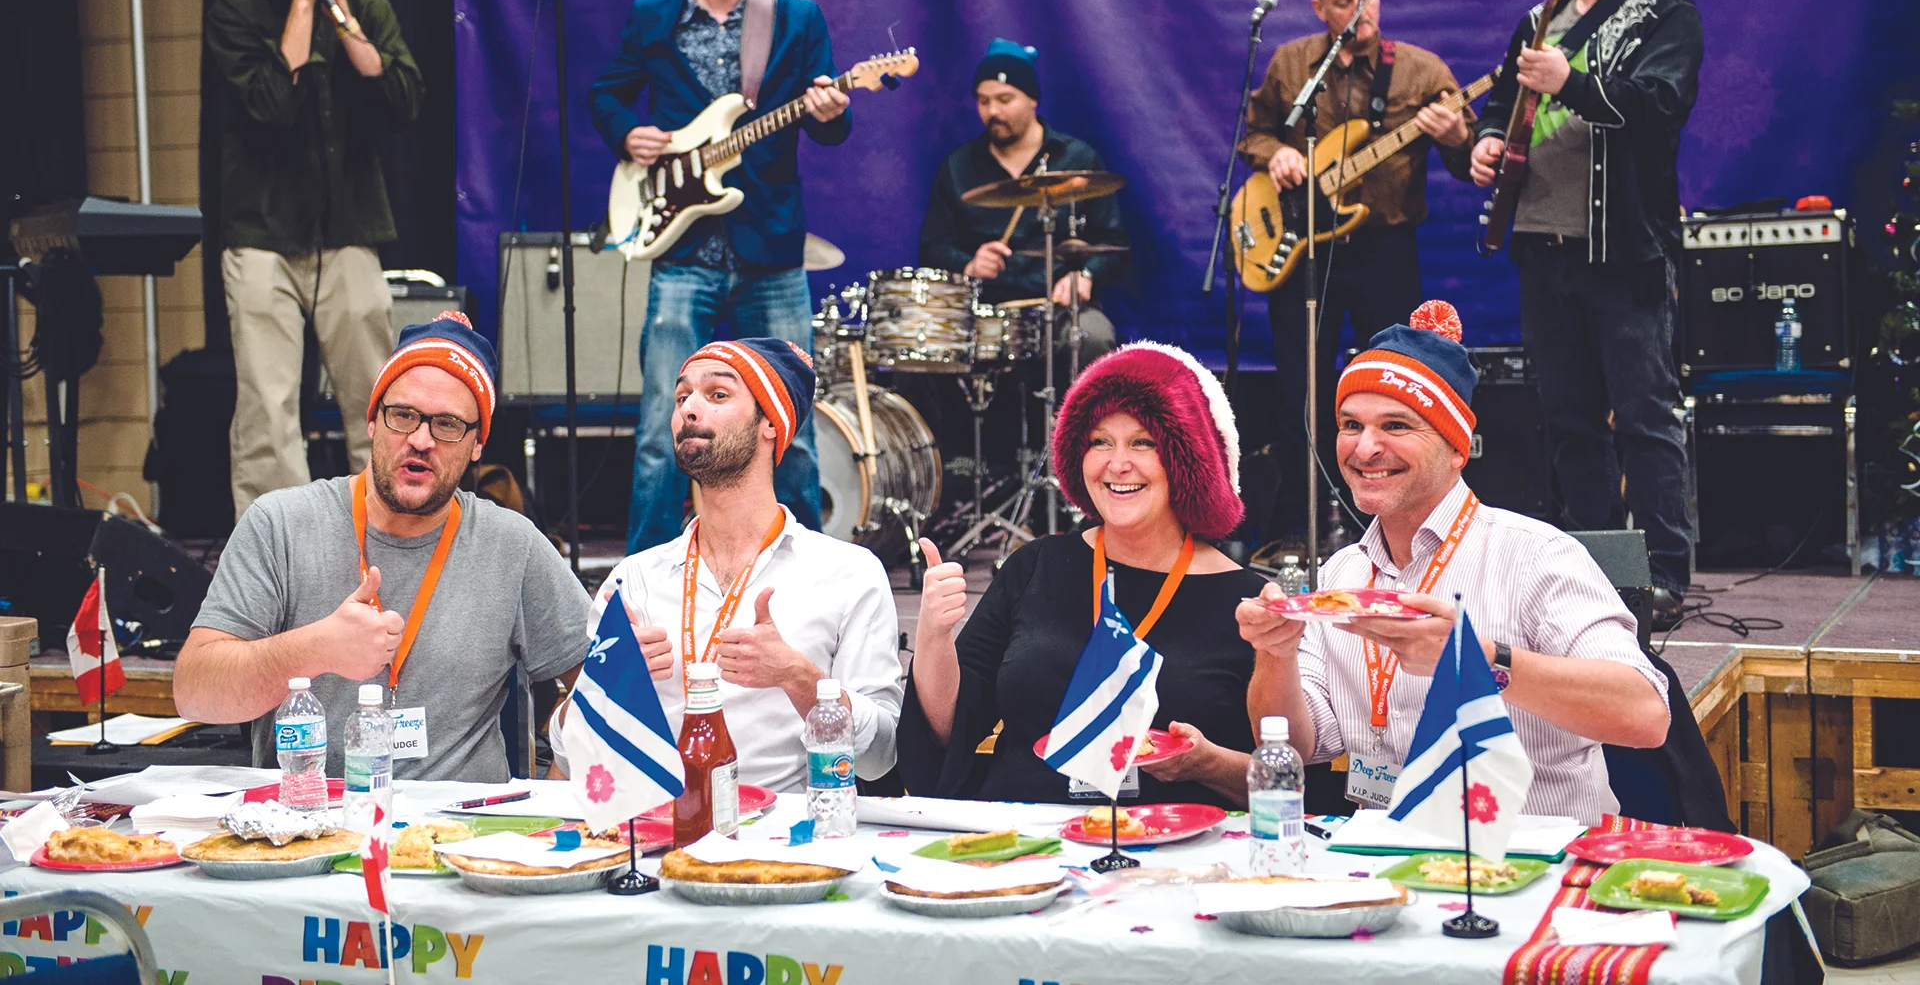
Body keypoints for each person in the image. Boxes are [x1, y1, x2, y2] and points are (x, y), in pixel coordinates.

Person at [1235, 302, 1671, 824]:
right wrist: (1274, 655)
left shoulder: (1535, 555)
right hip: (1395, 866)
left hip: (1535, 868)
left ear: (1456, 448)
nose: (1365, 447)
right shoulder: (1340, 576)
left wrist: (1476, 659)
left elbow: (1645, 715)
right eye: (1351, 424)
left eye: (1396, 425)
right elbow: (1298, 743)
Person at [177, 313, 591, 782]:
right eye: (403, 415)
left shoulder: (512, 545)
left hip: (460, 840)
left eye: (449, 424)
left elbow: (614, 694)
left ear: (478, 445)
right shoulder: (281, 524)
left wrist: (553, 804)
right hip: (311, 830)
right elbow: (194, 692)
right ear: (372, 420)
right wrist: (315, 648)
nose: (420, 440)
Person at [589, 0, 851, 554]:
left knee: (788, 424)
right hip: (681, 248)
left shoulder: (795, 18)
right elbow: (608, 93)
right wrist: (628, 134)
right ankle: (643, 578)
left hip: (768, 245)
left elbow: (827, 129)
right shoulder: (654, 15)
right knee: (660, 430)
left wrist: (831, 109)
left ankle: (807, 572)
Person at [1468, 0, 1702, 625]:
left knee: (1643, 415)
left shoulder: (1665, 15)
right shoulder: (1537, 18)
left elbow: (1657, 108)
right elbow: (1504, 106)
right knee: (1567, 419)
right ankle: (1596, 575)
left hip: (1622, 250)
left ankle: (1666, 573)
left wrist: (1570, 80)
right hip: (1543, 248)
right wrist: (1485, 142)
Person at [901, 343, 1266, 809]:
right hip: (1023, 841)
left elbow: (1286, 781)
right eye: (1099, 442)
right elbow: (949, 732)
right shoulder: (1037, 565)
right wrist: (933, 635)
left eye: (1143, 442)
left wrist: (1207, 764)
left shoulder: (1247, 603)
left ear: (1186, 459)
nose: (1117, 464)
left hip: (1174, 850)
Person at [559, 338, 903, 793]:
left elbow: (881, 757)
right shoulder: (635, 579)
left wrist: (799, 678)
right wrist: (603, 686)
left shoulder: (849, 573)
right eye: (682, 397)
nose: (688, 410)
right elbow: (570, 755)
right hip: (661, 835)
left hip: (786, 844)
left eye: (717, 395)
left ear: (769, 424)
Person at [205, 0, 423, 518]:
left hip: (348, 227)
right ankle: (280, 553)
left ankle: (388, 535)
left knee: (377, 397)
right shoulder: (237, 11)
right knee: (268, 406)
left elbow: (405, 100)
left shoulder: (364, 1)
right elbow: (271, 106)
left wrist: (342, 17)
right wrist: (302, 4)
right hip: (261, 232)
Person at [1239, 0, 1475, 548]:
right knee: (1303, 389)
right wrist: (1278, 154)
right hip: (1304, 249)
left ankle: (1396, 528)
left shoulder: (1421, 71)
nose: (1361, 9)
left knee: (1396, 387)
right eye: (1345, 1)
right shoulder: (1294, 64)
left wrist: (1457, 136)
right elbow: (1253, 134)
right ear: (1320, 7)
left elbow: (1469, 161)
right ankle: (1298, 528)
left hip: (1384, 249)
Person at [919, 38, 1127, 363]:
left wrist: (1084, 275)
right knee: (921, 352)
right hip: (982, 310)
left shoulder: (1077, 158)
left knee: (1094, 338)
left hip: (1058, 307)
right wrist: (969, 264)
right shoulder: (958, 167)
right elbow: (932, 246)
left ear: (1032, 100)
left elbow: (1112, 241)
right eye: (984, 101)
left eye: (1005, 99)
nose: (993, 112)